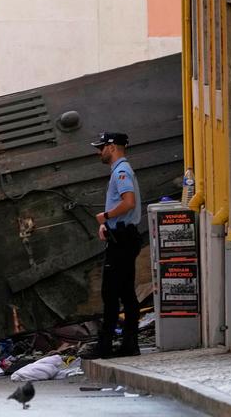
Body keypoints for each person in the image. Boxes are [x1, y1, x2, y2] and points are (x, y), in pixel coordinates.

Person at [91, 132, 142, 358]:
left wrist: (106, 216)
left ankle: (106, 346)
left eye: (101, 147)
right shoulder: (121, 170)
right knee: (125, 292)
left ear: (112, 147)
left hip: (122, 240)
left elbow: (128, 203)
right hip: (122, 235)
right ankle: (129, 343)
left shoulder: (121, 172)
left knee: (111, 293)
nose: (98, 151)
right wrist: (108, 224)